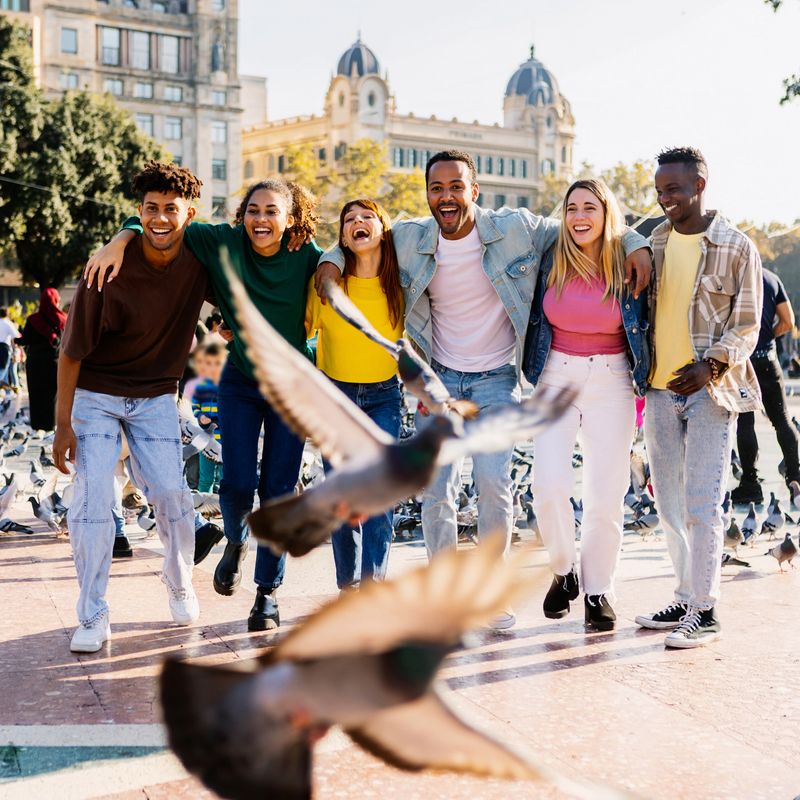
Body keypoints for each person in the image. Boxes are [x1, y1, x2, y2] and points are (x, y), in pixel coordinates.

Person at [316, 150, 652, 630]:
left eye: (456, 186)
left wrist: (636, 242)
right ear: (427, 194)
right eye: (436, 188)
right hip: (439, 381)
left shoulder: (515, 228)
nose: (446, 196)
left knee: (494, 486)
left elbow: (582, 226)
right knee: (437, 491)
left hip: (496, 379)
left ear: (474, 191)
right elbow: (359, 236)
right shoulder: (410, 238)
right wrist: (329, 262)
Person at [85, 179, 322, 632]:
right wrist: (119, 239)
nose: (260, 220)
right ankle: (236, 540)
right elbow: (163, 224)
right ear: (242, 215)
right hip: (241, 382)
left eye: (272, 211)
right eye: (253, 210)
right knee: (235, 484)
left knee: (278, 491)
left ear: (291, 219)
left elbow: (341, 266)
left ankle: (267, 594)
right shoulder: (224, 242)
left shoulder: (306, 254)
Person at [53, 161, 224, 653]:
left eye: (171, 208)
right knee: (92, 504)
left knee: (171, 494)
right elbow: (70, 353)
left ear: (189, 214)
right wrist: (62, 425)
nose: (160, 218)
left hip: (156, 396)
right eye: (151, 208)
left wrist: (226, 327)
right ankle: (92, 614)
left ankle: (179, 580)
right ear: (138, 211)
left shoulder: (199, 262)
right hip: (96, 395)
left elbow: (240, 289)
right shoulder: (105, 268)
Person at [635, 147, 762, 648]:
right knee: (667, 503)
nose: (664, 198)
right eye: (659, 190)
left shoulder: (736, 246)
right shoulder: (656, 241)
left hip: (711, 392)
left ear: (699, 186)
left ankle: (706, 611)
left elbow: (747, 324)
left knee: (703, 504)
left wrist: (710, 366)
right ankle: (686, 595)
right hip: (659, 390)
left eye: (673, 189)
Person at [523, 179, 649, 631]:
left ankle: (598, 591)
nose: (579, 216)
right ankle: (564, 571)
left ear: (605, 212)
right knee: (548, 486)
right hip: (555, 375)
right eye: (572, 208)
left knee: (606, 494)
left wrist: (634, 241)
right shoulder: (549, 253)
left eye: (589, 208)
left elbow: (642, 235)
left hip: (612, 379)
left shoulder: (628, 261)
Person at [306, 199, 404, 591]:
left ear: (383, 228)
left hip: (384, 397)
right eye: (349, 219)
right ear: (343, 237)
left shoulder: (401, 284)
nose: (357, 222)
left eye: (367, 217)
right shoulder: (326, 283)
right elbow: (300, 332)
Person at [731, 268, 799, 505]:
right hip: (767, 359)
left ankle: (750, 483)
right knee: (782, 420)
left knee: (745, 421)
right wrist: (769, 336)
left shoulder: (733, 276)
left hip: (743, 360)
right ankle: (795, 476)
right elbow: (788, 321)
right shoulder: (771, 279)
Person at [16, 289, 66, 431]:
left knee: (36, 394)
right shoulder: (63, 319)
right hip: (54, 362)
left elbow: (25, 340)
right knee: (52, 395)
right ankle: (51, 424)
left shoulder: (33, 320)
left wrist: (16, 340)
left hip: (35, 363)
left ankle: (37, 425)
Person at [191, 340, 226, 493]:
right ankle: (204, 504)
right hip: (206, 439)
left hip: (225, 439)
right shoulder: (201, 386)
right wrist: (200, 416)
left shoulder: (228, 385)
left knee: (225, 478)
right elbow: (195, 404)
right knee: (205, 478)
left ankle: (224, 505)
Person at [0, 307, 20, 388]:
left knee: (5, 373)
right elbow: (17, 336)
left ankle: (7, 392)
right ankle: (7, 392)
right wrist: (16, 351)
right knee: (3, 370)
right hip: (4, 348)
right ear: (7, 314)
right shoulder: (8, 323)